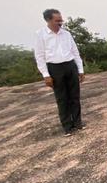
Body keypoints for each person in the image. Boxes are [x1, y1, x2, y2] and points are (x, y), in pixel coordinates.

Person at [34, 9, 85, 137]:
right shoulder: (41, 35)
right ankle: (67, 127)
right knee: (62, 98)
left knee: (75, 96)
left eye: (61, 20)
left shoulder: (66, 34)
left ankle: (78, 122)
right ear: (49, 20)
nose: (60, 23)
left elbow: (75, 52)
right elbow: (39, 56)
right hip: (54, 68)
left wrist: (80, 70)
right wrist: (45, 75)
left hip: (70, 65)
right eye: (57, 21)